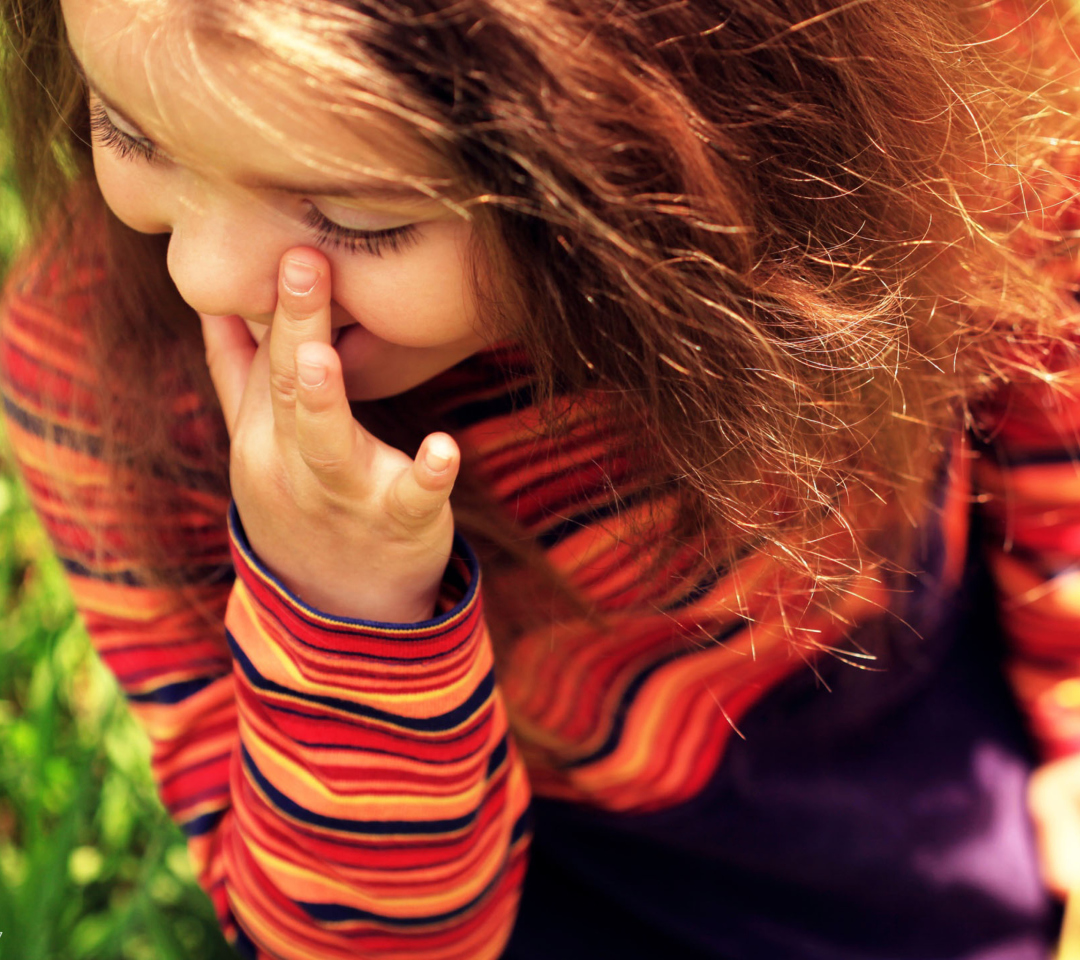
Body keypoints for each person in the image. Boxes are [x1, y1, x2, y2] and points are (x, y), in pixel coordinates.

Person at [2, 0, 1080, 955]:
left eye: (361, 218)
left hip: (907, 695)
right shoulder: (108, 377)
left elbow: (1047, 358)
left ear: (647, 128)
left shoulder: (928, 97)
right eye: (129, 131)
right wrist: (343, 610)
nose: (202, 273)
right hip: (539, 849)